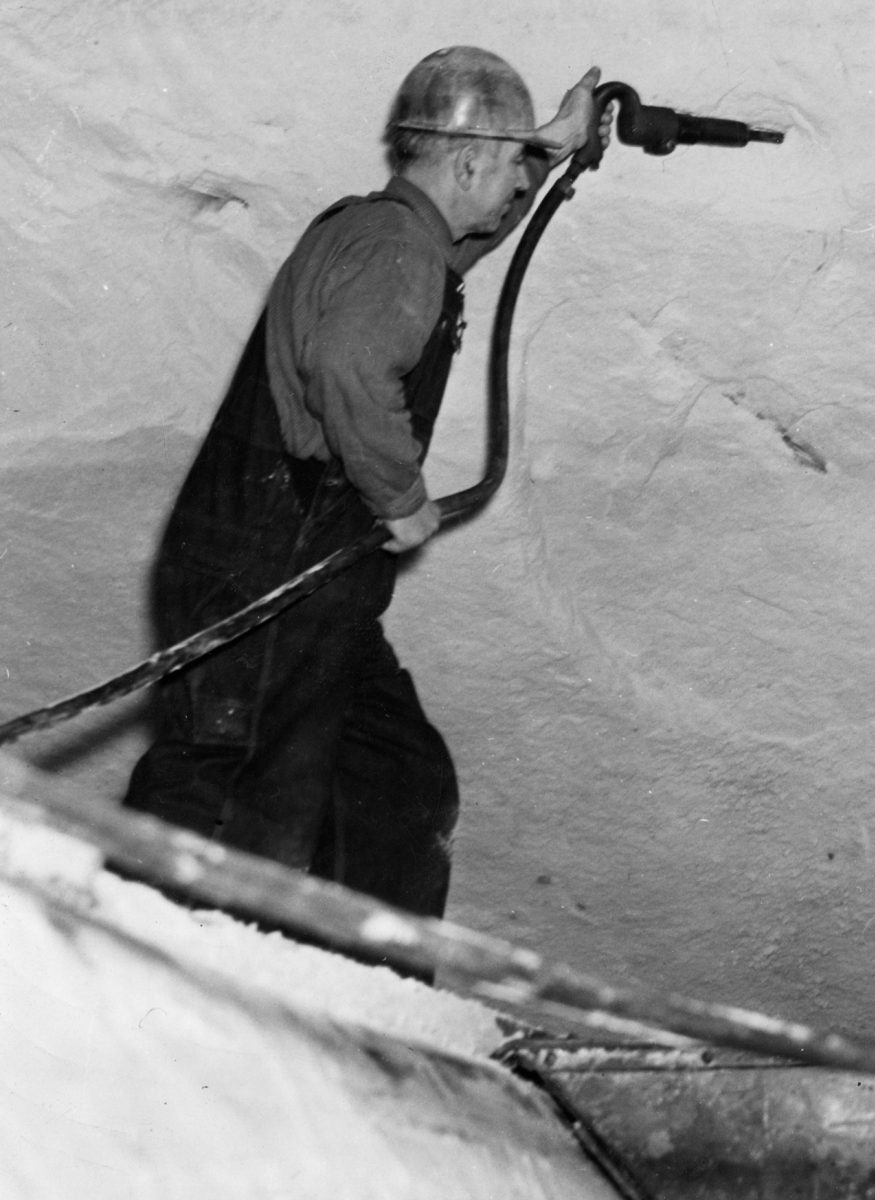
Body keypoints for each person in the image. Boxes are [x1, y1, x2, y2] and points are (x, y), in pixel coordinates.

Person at [123, 47, 602, 917]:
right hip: (270, 570)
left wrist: (546, 149)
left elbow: (475, 231)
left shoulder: (392, 235)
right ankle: (153, 1000)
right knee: (236, 805)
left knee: (396, 782)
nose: (506, 192)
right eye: (502, 168)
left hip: (301, 576)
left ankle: (366, 988)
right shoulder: (398, 252)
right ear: (463, 161)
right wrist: (402, 500)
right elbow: (348, 364)